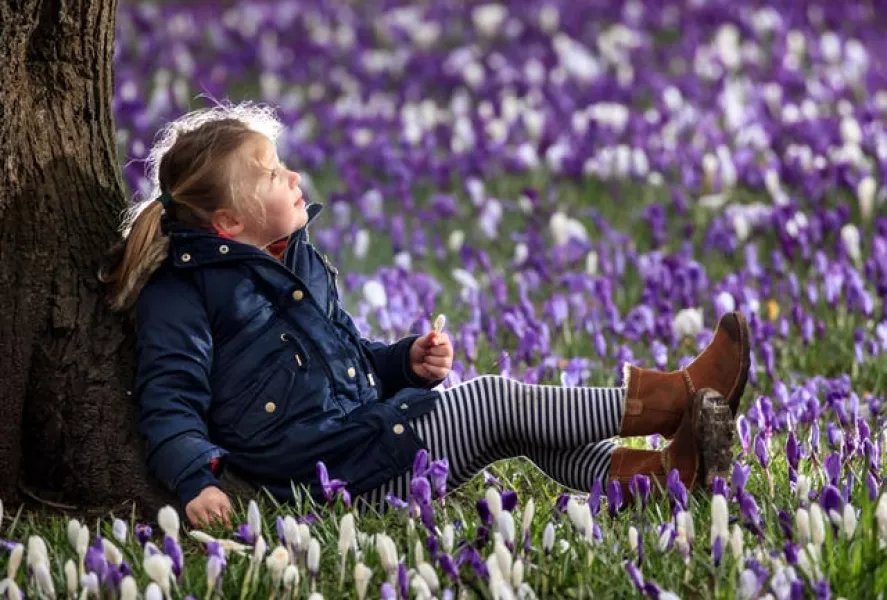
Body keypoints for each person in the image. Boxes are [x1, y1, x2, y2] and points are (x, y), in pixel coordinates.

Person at [102, 103, 750, 527]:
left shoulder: (298, 263)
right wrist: (192, 478)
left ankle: (662, 479)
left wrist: (403, 362)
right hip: (332, 475)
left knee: (512, 432)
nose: (294, 176)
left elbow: (349, 360)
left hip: (361, 438)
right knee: (497, 402)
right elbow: (169, 397)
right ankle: (680, 398)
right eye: (272, 174)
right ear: (227, 221)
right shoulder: (183, 293)